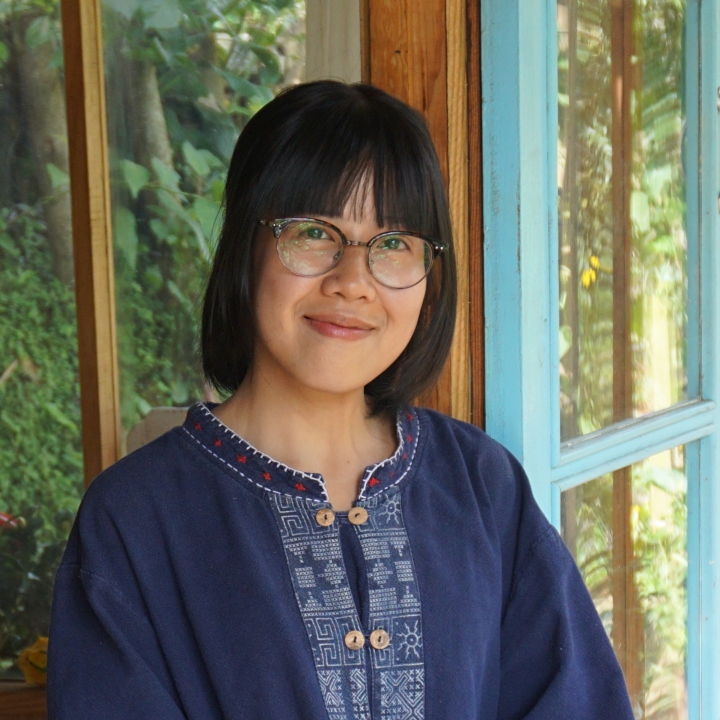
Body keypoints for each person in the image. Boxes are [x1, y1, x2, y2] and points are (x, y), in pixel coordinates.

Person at [47, 81, 634, 719]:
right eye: (313, 232)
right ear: (245, 247)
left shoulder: (482, 486)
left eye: (394, 243)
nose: (352, 282)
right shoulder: (134, 520)